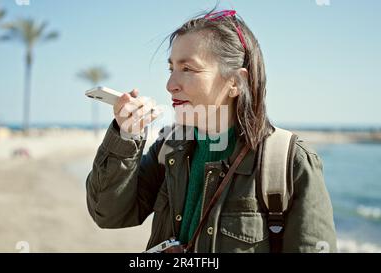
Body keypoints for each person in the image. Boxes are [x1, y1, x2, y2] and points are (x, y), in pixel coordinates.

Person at [86, 9, 337, 253]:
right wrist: (125, 135)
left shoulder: (290, 162)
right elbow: (108, 214)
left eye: (188, 69)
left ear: (235, 82)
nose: (170, 84)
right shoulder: (171, 144)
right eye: (171, 68)